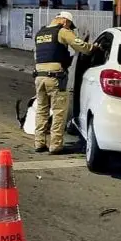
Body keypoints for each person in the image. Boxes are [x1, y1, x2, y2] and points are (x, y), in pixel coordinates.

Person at [33, 11, 97, 155]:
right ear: (64, 21)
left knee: (42, 110)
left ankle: (39, 143)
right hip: (55, 78)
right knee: (59, 112)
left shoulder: (40, 33)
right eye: (69, 24)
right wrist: (93, 48)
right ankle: (55, 145)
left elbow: (40, 55)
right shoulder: (62, 31)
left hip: (39, 77)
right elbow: (80, 45)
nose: (69, 27)